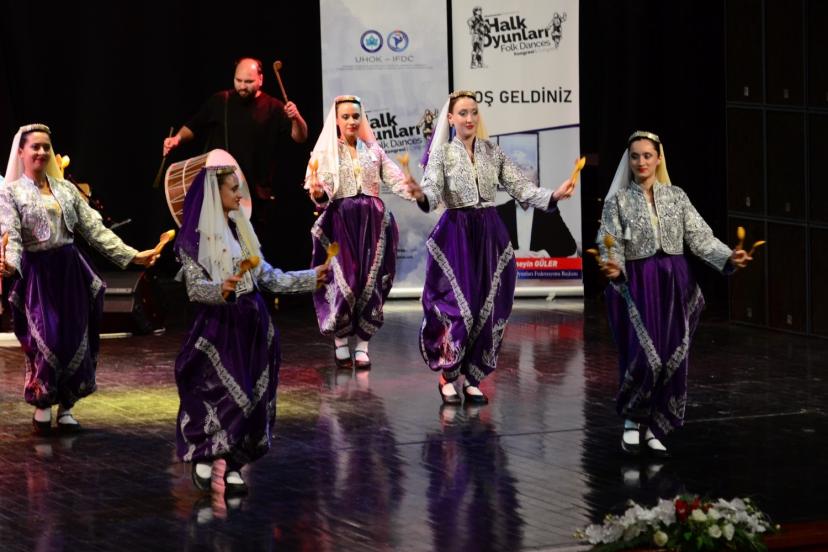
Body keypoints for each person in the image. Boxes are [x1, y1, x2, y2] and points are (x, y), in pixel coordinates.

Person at [407, 90, 575, 406]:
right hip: (457, 234)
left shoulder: (491, 151)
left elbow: (520, 186)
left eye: (474, 112)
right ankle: (448, 374)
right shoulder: (443, 155)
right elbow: (431, 192)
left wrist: (553, 195)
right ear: (451, 118)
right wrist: (420, 195)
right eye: (463, 113)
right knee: (460, 309)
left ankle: (473, 378)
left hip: (489, 235)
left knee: (489, 305)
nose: (469, 118)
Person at [596, 131, 752, 456]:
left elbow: (700, 237)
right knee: (645, 356)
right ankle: (632, 420)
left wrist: (728, 257)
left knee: (671, 357)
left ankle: (655, 426)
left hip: (674, 283)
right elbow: (610, 240)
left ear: (658, 158)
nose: (641, 162)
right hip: (639, 283)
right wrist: (614, 266)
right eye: (635, 156)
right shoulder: (618, 201)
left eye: (647, 155)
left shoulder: (676, 197)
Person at [173, 165, 326, 495]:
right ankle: (206, 452)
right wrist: (221, 289)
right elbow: (195, 289)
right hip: (219, 325)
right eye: (232, 189)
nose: (239, 194)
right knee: (218, 392)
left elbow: (267, 277)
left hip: (253, 324)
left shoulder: (242, 230)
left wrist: (311, 278)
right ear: (215, 193)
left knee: (254, 395)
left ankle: (235, 462)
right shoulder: (193, 239)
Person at [0, 124, 159, 434]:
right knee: (48, 337)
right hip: (38, 275)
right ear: (21, 152)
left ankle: (67, 407)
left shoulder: (66, 190)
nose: (42, 152)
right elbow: (12, 238)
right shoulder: (11, 192)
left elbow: (95, 230)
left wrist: (132, 256)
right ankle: (43, 402)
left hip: (70, 270)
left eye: (46, 147)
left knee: (74, 338)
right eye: (35, 147)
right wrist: (9, 265)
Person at [162, 57, 309, 264]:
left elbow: (300, 137)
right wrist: (177, 139)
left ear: (260, 79)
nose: (242, 86)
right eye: (238, 80)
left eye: (248, 81)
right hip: (220, 193)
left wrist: (296, 118)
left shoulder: (274, 107)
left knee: (251, 256)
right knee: (219, 254)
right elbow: (194, 125)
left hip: (255, 196)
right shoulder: (221, 101)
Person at [305, 95, 415, 369]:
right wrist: (318, 192)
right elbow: (321, 194)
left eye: (356, 116)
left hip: (373, 223)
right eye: (346, 117)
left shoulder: (374, 151)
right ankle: (341, 339)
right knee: (347, 280)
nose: (352, 121)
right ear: (337, 120)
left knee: (371, 281)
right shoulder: (327, 153)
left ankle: (363, 344)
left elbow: (394, 179)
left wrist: (413, 189)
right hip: (342, 222)